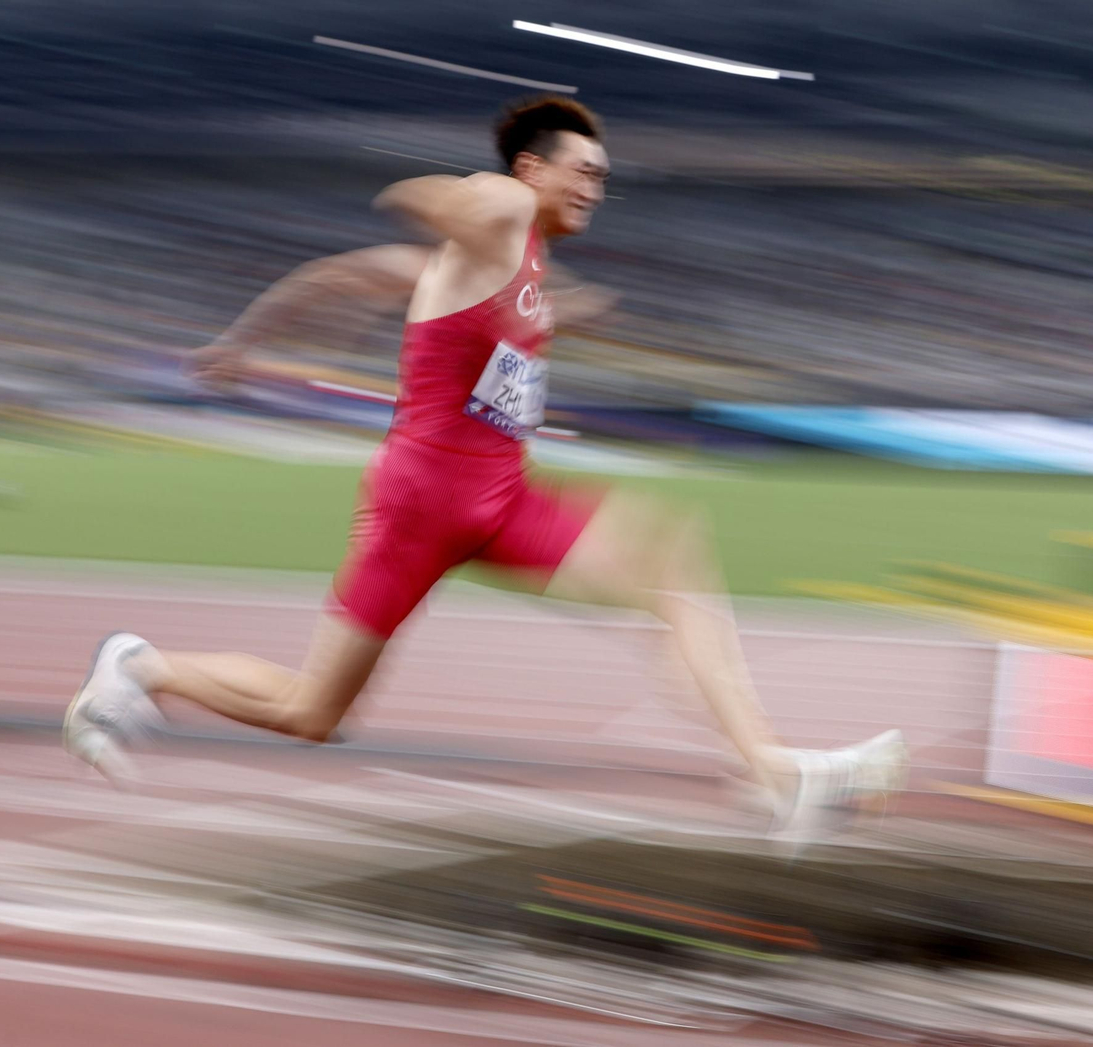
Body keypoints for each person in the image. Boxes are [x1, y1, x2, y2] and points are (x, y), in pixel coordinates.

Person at [65, 95, 906, 831]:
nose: (595, 189)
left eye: (606, 179)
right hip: (421, 505)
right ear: (533, 168)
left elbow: (343, 274)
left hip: (501, 500)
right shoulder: (502, 206)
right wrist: (433, 199)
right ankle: (142, 664)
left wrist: (241, 343)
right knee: (311, 710)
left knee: (668, 557)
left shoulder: (518, 262)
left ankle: (770, 773)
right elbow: (433, 201)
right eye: (584, 171)